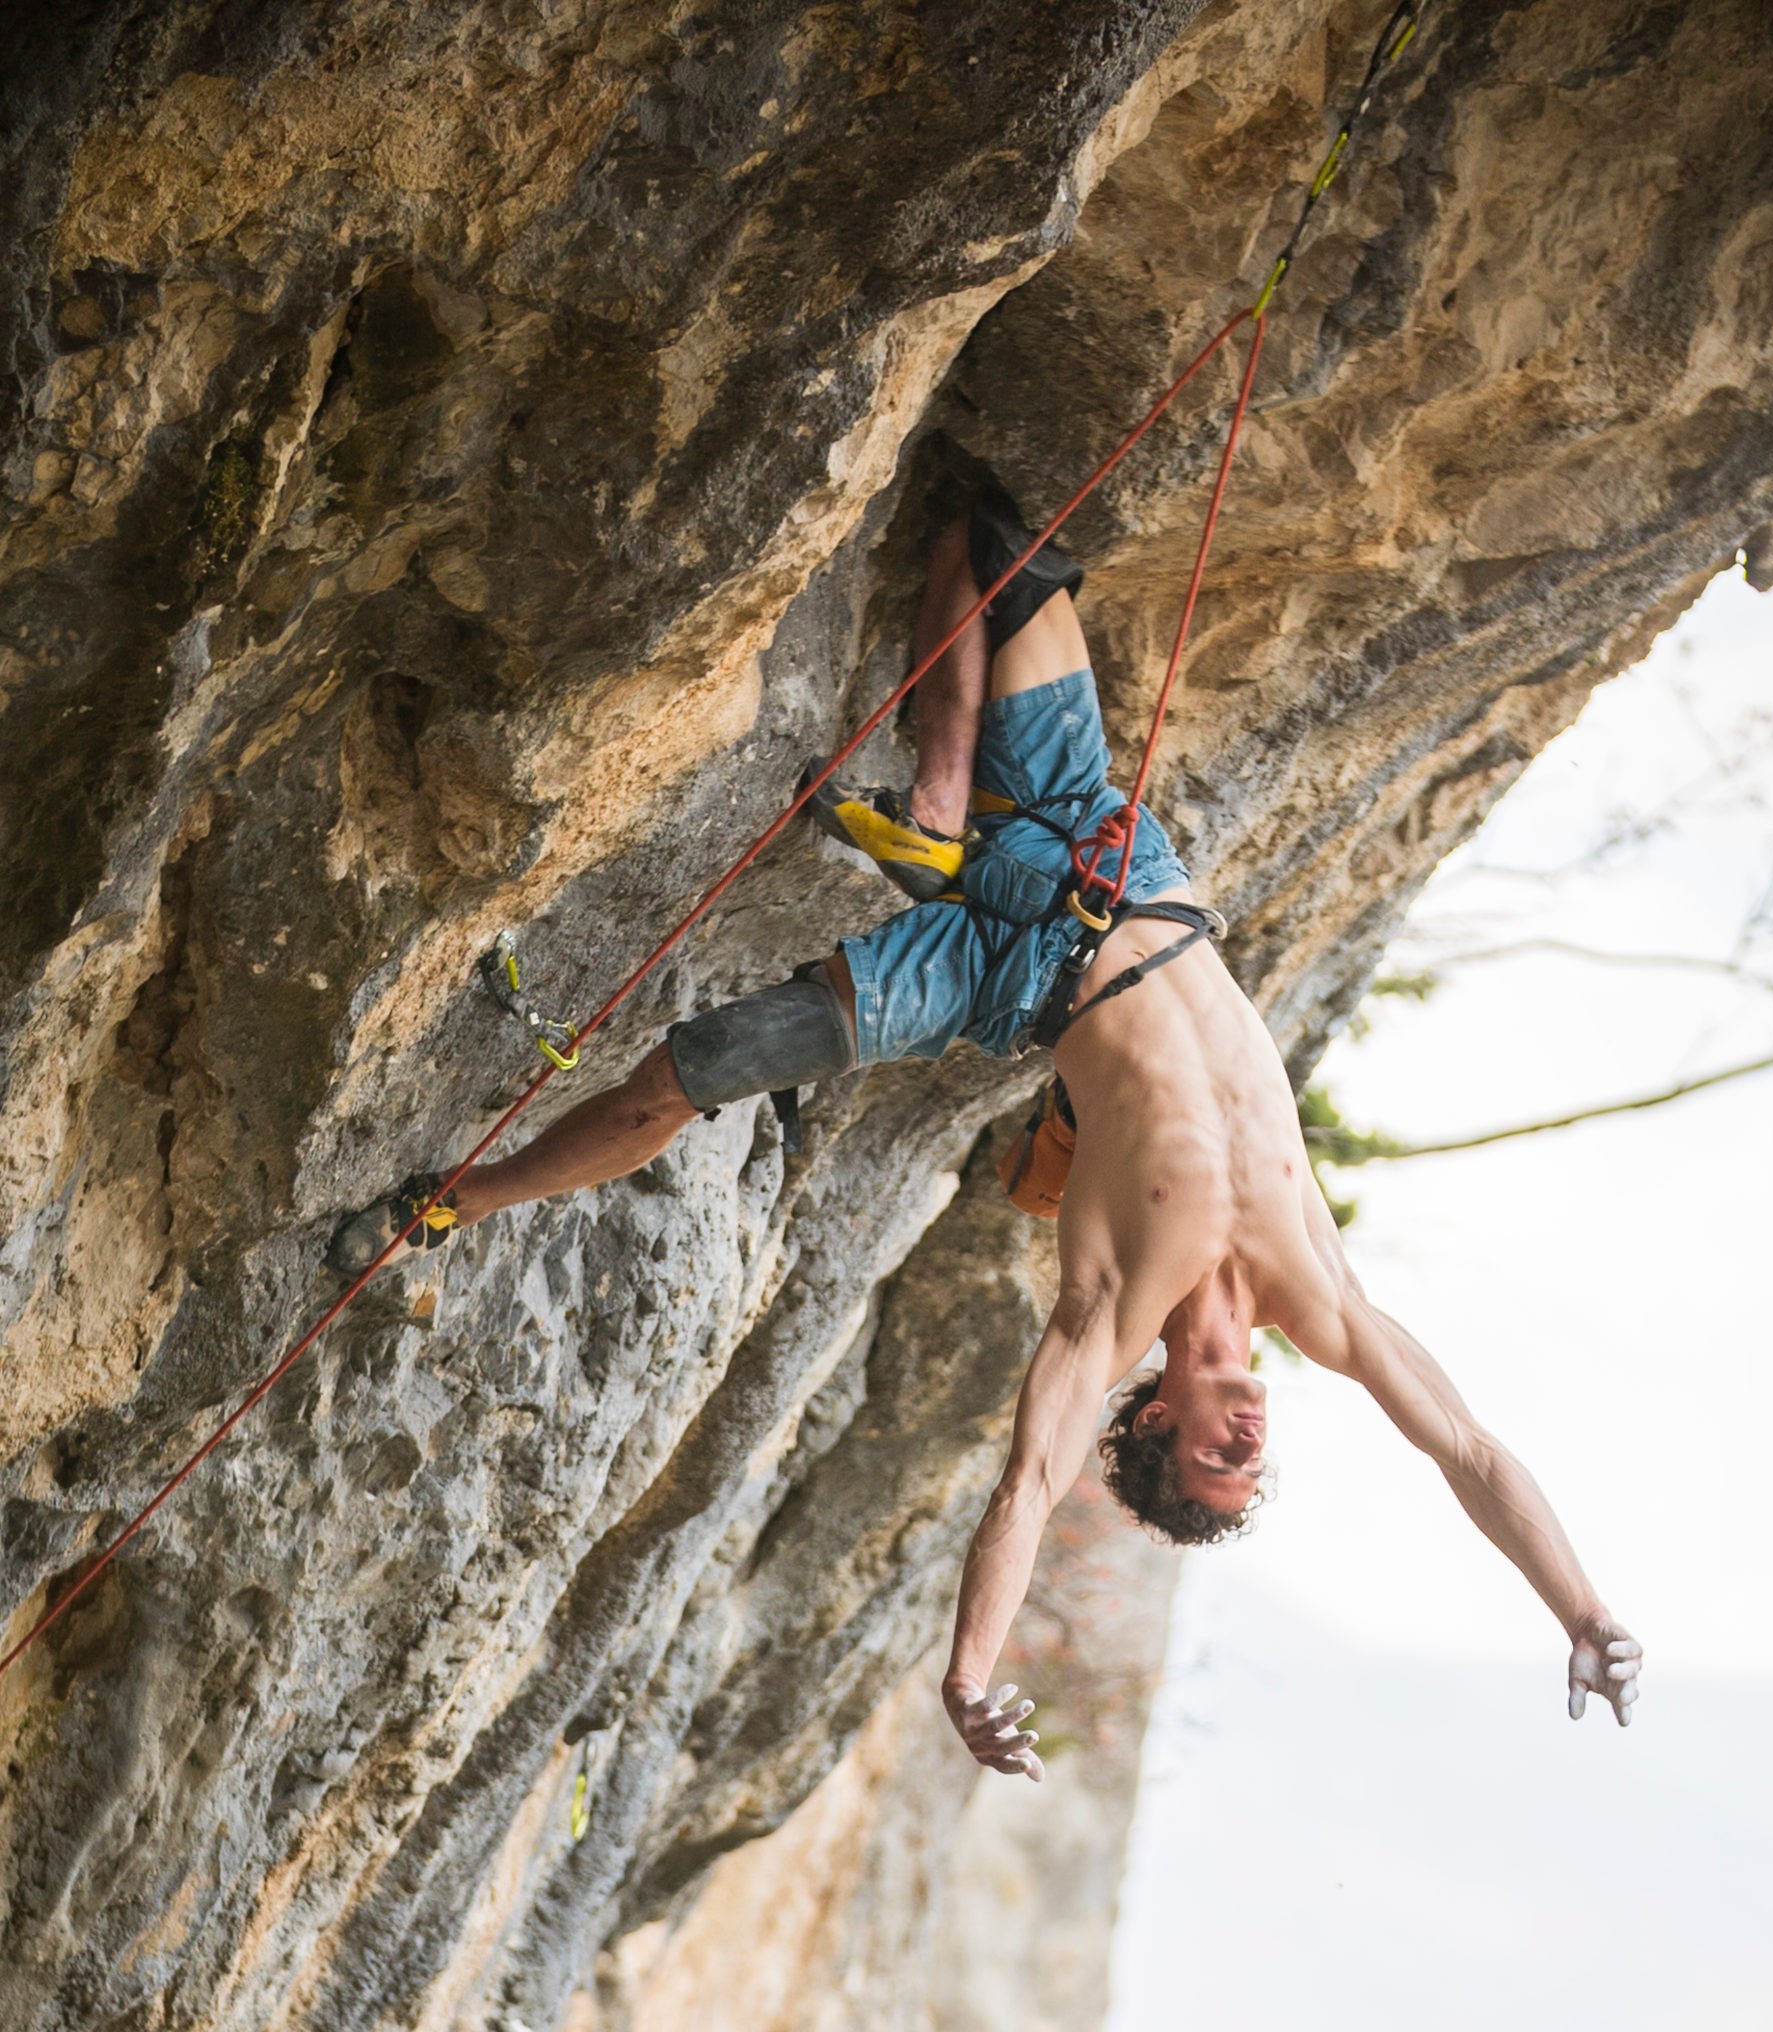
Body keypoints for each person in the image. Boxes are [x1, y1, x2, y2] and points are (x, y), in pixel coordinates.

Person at [329, 485, 1642, 1782]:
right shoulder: (1322, 1290)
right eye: (1253, 1462)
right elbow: (1470, 1452)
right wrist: (1581, 1609)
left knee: (688, 1073)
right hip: (1106, 857)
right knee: (998, 546)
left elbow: (1022, 1490)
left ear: (1149, 1423)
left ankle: (461, 1199)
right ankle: (937, 812)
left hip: (996, 975)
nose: (1246, 1443)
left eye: (1214, 1459)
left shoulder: (1109, 1307)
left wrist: (968, 1673)